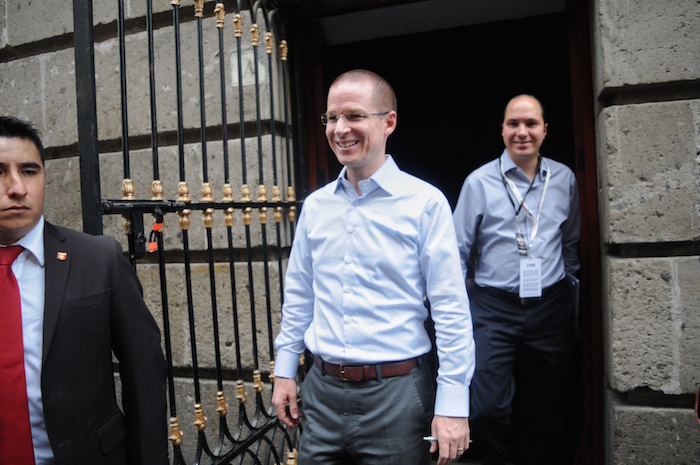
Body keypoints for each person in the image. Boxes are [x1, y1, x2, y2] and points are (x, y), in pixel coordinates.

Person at [271, 69, 475, 465]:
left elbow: (451, 309)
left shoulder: (425, 203)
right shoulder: (315, 206)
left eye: (354, 115)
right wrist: (284, 371)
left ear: (389, 122)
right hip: (321, 392)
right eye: (332, 117)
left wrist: (453, 405)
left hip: (397, 398)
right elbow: (299, 296)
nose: (340, 128)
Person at [0, 115, 168, 465]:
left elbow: (144, 373)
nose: (16, 188)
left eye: (29, 171)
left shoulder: (97, 259)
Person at [452, 95, 581, 465]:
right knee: (486, 406)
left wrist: (570, 302)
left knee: (546, 406)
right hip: (494, 308)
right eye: (513, 124)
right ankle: (502, 455)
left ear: (545, 130)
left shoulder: (564, 179)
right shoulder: (479, 183)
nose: (522, 132)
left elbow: (570, 245)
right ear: (502, 130)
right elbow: (458, 251)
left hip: (550, 305)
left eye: (531, 123)